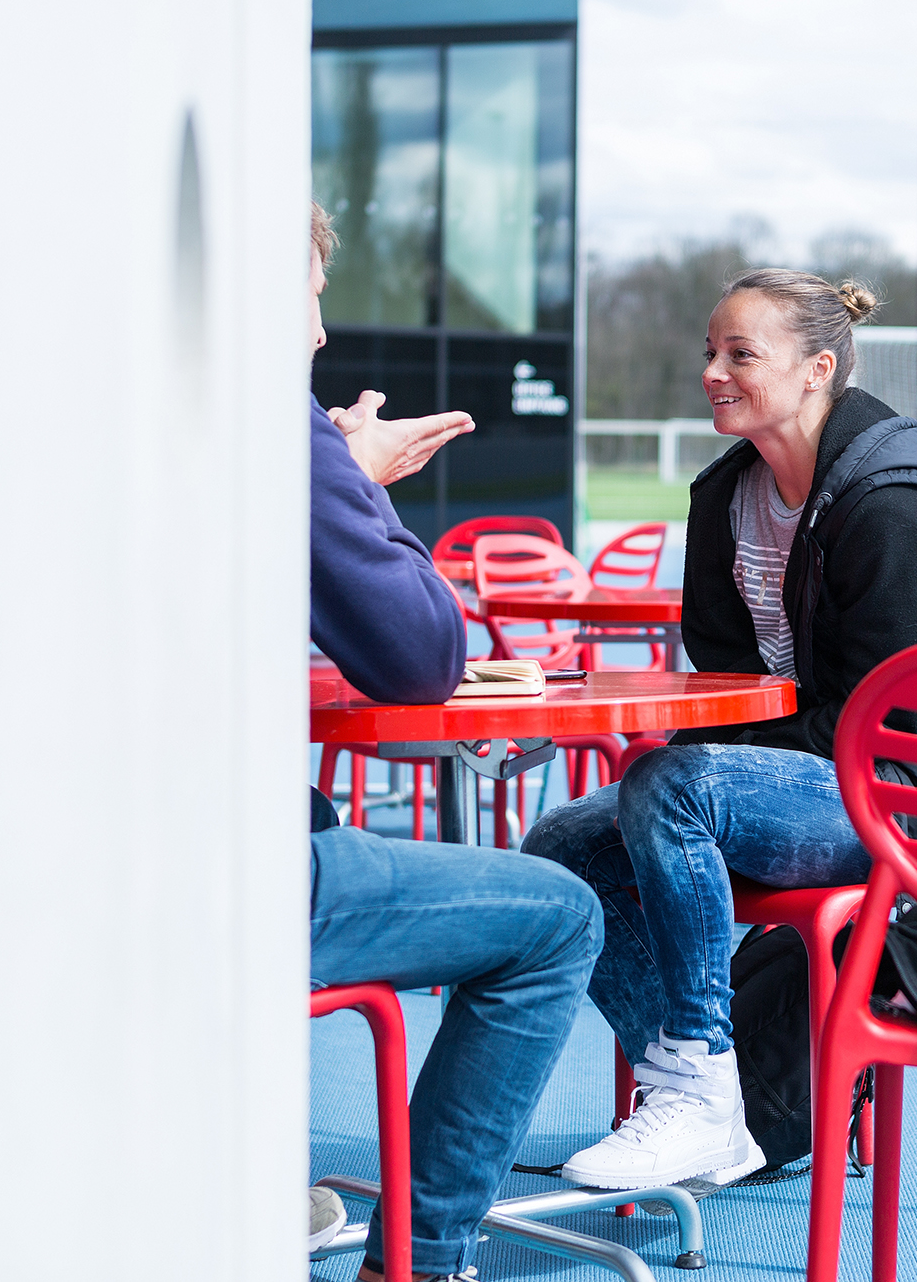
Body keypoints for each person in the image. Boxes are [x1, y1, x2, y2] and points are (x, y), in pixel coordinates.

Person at [521, 268, 917, 1192]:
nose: (713, 369)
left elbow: (890, 713)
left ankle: (709, 1095)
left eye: (740, 353)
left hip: (915, 789)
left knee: (673, 787)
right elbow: (728, 686)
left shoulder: (892, 498)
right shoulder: (725, 501)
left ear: (817, 368)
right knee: (561, 843)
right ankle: (716, 1092)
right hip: (800, 775)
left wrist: (706, 764)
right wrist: (706, 752)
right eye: (710, 350)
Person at [305, 202, 604, 1282]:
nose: (322, 334)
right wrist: (347, 476)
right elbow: (424, 658)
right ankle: (424, 1261)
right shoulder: (271, 430)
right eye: (310, 294)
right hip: (230, 889)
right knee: (560, 914)